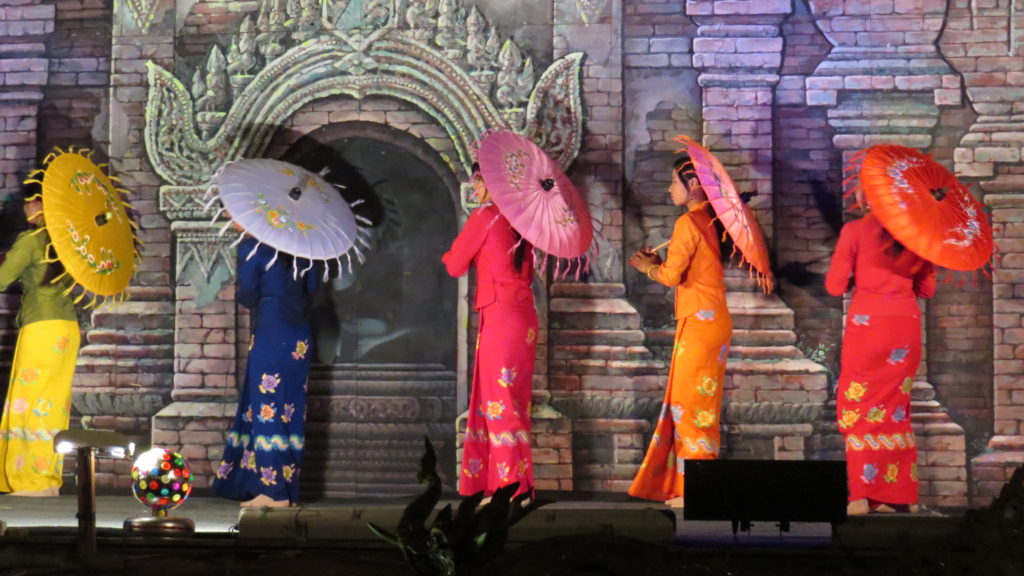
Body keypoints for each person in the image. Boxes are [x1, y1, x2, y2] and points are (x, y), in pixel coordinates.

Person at [627, 156, 733, 508]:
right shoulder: (713, 222)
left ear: (694, 186)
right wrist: (659, 263)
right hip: (710, 321)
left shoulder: (689, 222)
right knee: (697, 405)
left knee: (691, 407)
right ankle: (693, 486)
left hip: (699, 325)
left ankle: (697, 490)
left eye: (674, 182)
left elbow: (672, 277)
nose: (669, 188)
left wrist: (647, 268)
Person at [825, 212, 935, 515]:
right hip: (904, 329)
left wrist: (854, 271)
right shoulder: (916, 232)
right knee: (895, 410)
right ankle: (900, 495)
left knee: (857, 407)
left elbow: (835, 286)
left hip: (869, 327)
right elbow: (926, 290)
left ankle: (862, 495)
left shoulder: (856, 229)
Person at [442, 162, 537, 498]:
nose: (475, 186)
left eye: (479, 179)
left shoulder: (485, 217)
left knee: (500, 403)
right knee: (509, 403)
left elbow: (455, 265)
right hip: (522, 318)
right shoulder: (522, 222)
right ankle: (508, 484)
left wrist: (451, 252)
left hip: (500, 316)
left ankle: (510, 490)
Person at [213, 233, 319, 507]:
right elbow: (312, 286)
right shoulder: (305, 246)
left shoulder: (253, 246)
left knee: (267, 410)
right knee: (290, 411)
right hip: (300, 337)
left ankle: (275, 492)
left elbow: (248, 294)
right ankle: (284, 489)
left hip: (272, 333)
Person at [0, 191, 79, 497]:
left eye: (33, 200)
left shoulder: (32, 240)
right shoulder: (69, 240)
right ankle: (45, 477)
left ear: (44, 204)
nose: (27, 206)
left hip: (42, 328)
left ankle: (34, 479)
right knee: (51, 404)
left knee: (30, 404)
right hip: (66, 328)